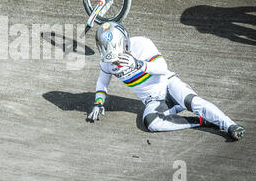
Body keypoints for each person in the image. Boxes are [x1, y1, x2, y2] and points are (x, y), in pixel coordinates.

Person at [87, 21, 245, 141]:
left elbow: (162, 67)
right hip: (154, 101)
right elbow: (102, 82)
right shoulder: (106, 62)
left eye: (117, 55)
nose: (115, 62)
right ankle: (201, 121)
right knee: (150, 123)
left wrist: (138, 64)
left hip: (168, 85)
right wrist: (98, 102)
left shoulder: (142, 44)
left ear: (125, 43)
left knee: (193, 102)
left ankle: (229, 124)